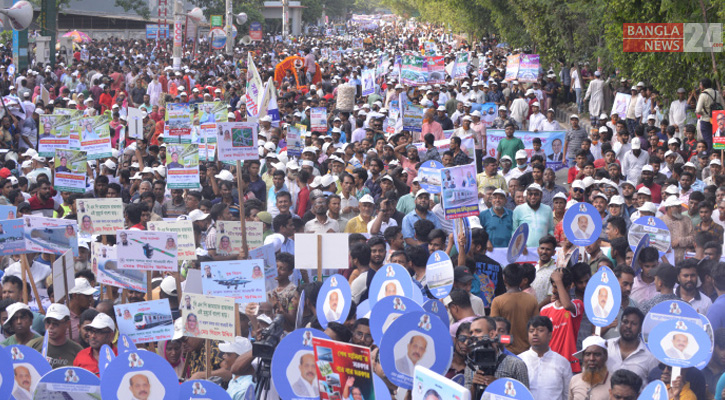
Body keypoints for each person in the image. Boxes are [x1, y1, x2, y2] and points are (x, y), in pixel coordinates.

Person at [519, 316, 572, 400]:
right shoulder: (519, 361)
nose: (535, 334)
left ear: (550, 335)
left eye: (540, 330)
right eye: (531, 331)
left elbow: (568, 394)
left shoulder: (562, 362)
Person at [605, 307, 659, 384]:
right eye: (625, 322)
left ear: (640, 328)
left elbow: (654, 384)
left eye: (634, 324)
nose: (628, 326)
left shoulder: (650, 356)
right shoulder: (606, 346)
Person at [568, 335, 611, 400]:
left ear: (605, 356)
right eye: (587, 354)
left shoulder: (613, 382)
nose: (592, 358)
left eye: (597, 354)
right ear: (583, 357)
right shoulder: (574, 380)